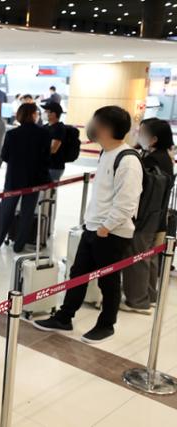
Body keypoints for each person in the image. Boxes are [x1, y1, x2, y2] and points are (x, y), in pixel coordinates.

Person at [35, 106, 143, 344]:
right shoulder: (107, 153)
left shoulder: (128, 161)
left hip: (112, 232)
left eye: (93, 122)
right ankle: (65, 317)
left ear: (104, 128)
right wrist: (91, 223)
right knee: (78, 274)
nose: (89, 125)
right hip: (94, 227)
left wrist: (105, 227)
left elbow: (127, 202)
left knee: (109, 281)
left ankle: (107, 324)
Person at [121, 118, 175, 314]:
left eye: (141, 132)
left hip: (145, 218)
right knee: (149, 257)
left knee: (137, 257)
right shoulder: (164, 157)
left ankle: (137, 300)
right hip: (158, 216)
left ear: (152, 139)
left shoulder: (151, 161)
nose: (137, 134)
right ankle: (149, 295)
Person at [0, 103, 51, 253]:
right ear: (33, 115)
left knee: (6, 212)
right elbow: (46, 157)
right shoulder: (44, 134)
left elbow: (5, 156)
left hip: (13, 178)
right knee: (27, 213)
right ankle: (19, 246)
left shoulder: (12, 134)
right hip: (34, 179)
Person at [43, 102, 67, 182]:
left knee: (50, 192)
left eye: (46, 111)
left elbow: (53, 149)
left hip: (55, 167)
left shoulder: (59, 128)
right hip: (45, 165)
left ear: (53, 114)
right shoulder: (45, 127)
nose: (44, 113)